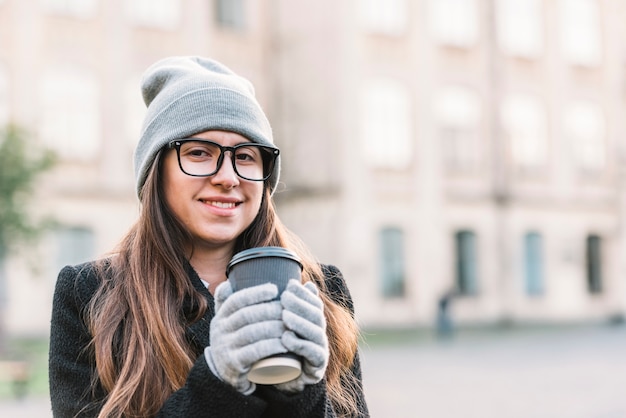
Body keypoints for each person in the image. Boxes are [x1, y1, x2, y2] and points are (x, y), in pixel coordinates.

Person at [48, 56, 369, 418]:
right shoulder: (92, 294)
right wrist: (219, 381)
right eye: (200, 153)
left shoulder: (321, 291)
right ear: (157, 171)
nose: (228, 177)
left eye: (246, 156)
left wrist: (302, 394)